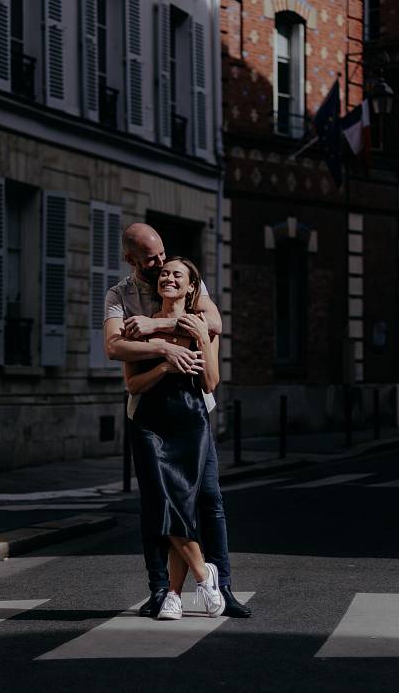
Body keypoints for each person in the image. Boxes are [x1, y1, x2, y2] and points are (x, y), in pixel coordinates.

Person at [104, 223, 251, 619]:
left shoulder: (187, 281)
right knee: (156, 503)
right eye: (152, 260)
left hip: (192, 413)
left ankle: (222, 587)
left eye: (163, 255)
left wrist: (154, 326)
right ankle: (162, 590)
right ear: (131, 259)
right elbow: (114, 347)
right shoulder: (119, 295)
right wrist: (165, 352)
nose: (162, 265)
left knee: (209, 499)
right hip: (147, 413)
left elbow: (213, 325)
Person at [123, 257, 223, 620]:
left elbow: (210, 383)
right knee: (162, 501)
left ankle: (174, 595)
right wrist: (165, 364)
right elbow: (132, 384)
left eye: (177, 275)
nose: (168, 278)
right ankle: (204, 574)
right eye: (165, 273)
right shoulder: (141, 327)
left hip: (190, 422)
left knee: (182, 503)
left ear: (191, 286)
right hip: (150, 423)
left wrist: (201, 338)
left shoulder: (202, 327)